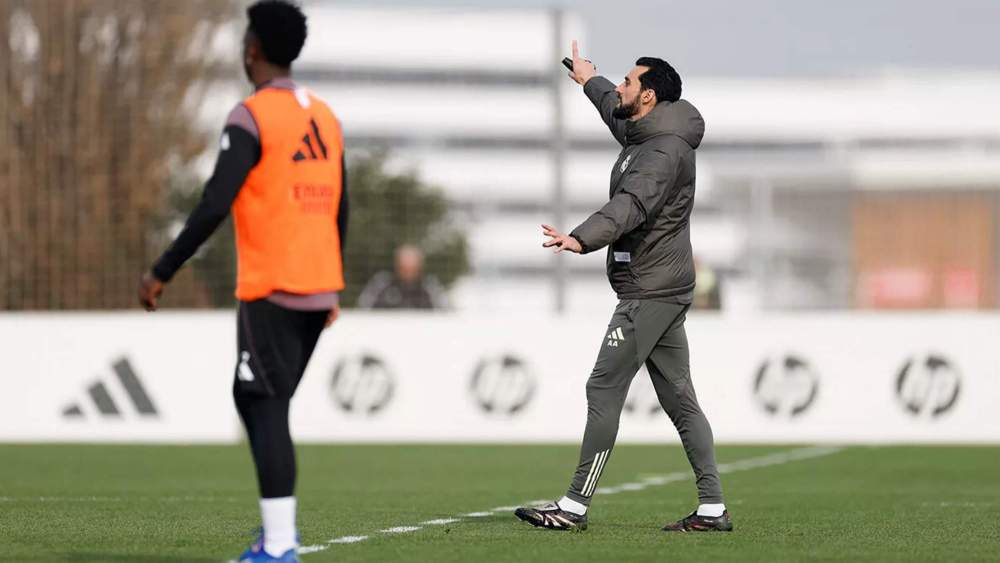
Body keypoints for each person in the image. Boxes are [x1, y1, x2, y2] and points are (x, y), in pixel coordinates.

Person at [137, 2, 348, 561]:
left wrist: (162, 269)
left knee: (261, 402)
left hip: (273, 284)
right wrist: (335, 283)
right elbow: (340, 206)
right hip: (317, 284)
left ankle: (279, 547)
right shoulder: (325, 116)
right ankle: (277, 539)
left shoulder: (251, 115)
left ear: (252, 48)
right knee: (261, 398)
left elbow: (214, 203)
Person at [514, 41, 731, 533]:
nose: (621, 86)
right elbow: (615, 111)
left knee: (604, 385)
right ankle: (713, 509)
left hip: (650, 290)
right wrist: (587, 79)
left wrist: (580, 237)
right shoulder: (647, 134)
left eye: (629, 81)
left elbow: (631, 206)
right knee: (679, 398)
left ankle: (572, 508)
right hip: (665, 284)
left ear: (649, 96)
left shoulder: (660, 152)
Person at [357, 244, 444, 309]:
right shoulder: (382, 283)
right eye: (404, 269)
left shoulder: (430, 287)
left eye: (412, 269)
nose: (408, 273)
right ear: (397, 266)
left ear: (420, 268)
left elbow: (446, 311)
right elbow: (364, 306)